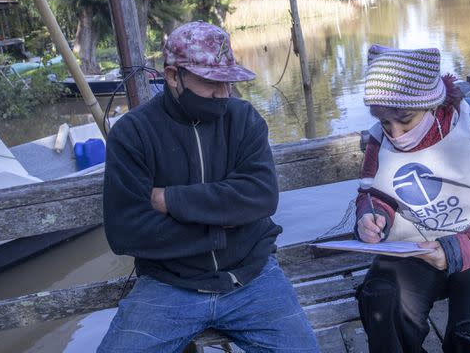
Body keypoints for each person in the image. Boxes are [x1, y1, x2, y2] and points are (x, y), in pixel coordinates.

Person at [99, 21, 318, 353]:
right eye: (211, 82)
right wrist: (220, 229)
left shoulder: (244, 119)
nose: (224, 93)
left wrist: (172, 200)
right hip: (169, 286)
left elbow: (261, 196)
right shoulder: (133, 134)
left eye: (228, 81)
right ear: (174, 77)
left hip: (252, 277)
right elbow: (126, 231)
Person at [354, 44, 470, 353]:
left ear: (433, 104)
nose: (396, 134)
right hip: (419, 245)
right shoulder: (379, 138)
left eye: (406, 120)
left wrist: (458, 249)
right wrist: (374, 215)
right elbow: (373, 193)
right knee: (380, 301)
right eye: (386, 122)